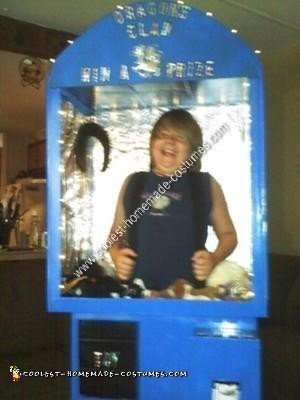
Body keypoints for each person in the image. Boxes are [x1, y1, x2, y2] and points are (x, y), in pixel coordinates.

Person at [109, 109, 237, 292]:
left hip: (188, 296)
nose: (169, 141)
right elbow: (116, 233)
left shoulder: (205, 185)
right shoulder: (134, 182)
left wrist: (213, 259)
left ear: (192, 150)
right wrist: (116, 254)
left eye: (180, 138)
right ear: (152, 143)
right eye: (162, 134)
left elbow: (229, 236)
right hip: (138, 295)